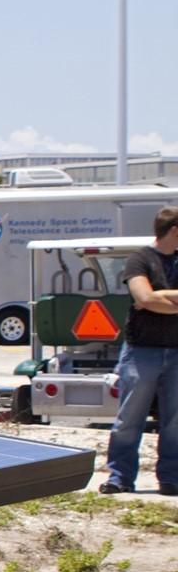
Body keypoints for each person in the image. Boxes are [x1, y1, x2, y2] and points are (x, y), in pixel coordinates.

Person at [101, 206, 178, 495]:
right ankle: (120, 477)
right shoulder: (140, 259)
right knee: (130, 418)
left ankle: (171, 478)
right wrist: (156, 299)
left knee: (174, 421)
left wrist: (160, 297)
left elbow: (151, 298)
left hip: (176, 351)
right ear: (174, 230)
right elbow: (143, 297)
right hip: (141, 351)